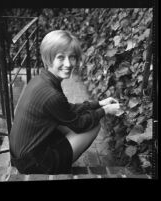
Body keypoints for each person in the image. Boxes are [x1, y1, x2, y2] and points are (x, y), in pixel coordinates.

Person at [9, 30, 120, 174]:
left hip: (20, 153)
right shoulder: (51, 95)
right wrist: (105, 111)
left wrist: (99, 103)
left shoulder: (40, 79)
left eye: (72, 57)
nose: (68, 64)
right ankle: (58, 167)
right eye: (60, 57)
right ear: (48, 58)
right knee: (93, 126)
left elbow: (67, 109)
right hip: (31, 163)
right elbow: (79, 125)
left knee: (78, 119)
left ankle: (62, 153)